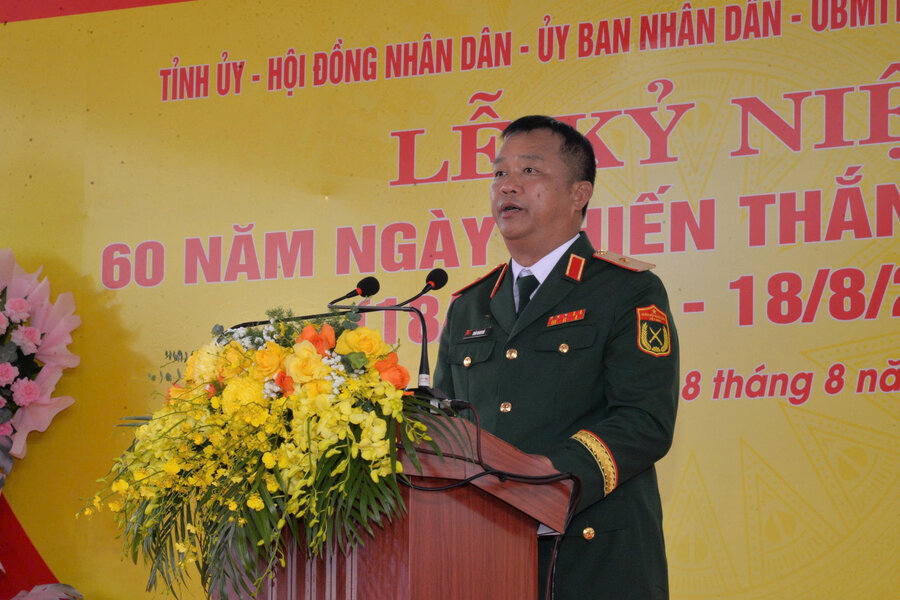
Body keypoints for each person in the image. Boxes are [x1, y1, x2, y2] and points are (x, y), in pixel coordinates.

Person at [434, 115, 679, 599]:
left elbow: (644, 420)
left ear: (578, 193)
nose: (508, 187)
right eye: (499, 173)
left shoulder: (626, 289)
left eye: (529, 172)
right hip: (482, 556)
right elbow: (443, 428)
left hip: (593, 561)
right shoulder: (468, 306)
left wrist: (547, 475)